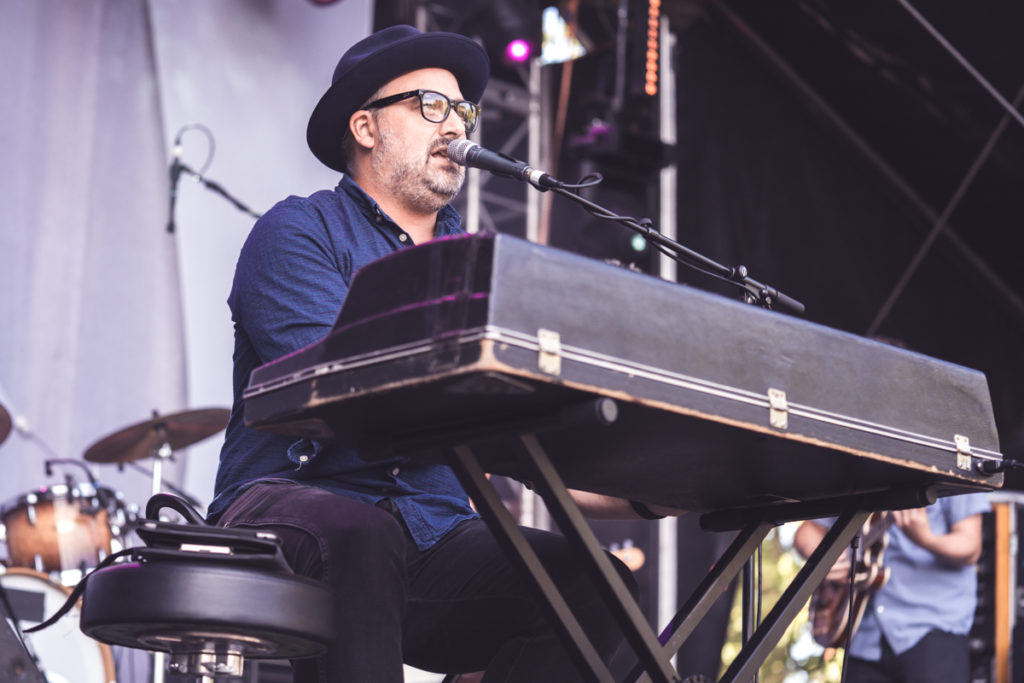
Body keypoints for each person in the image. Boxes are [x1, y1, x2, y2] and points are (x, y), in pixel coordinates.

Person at [207, 25, 681, 682]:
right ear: (366, 127)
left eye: (462, 110)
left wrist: (664, 485)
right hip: (291, 505)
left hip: (432, 534)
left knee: (599, 590)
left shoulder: (483, 268)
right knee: (361, 535)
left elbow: (538, 455)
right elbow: (339, 385)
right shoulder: (298, 231)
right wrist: (499, 417)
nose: (455, 124)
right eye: (431, 105)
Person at [793, 492, 989, 683]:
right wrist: (827, 560)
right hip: (862, 637)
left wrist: (927, 539)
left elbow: (970, 545)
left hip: (932, 628)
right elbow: (806, 532)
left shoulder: (952, 474)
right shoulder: (854, 473)